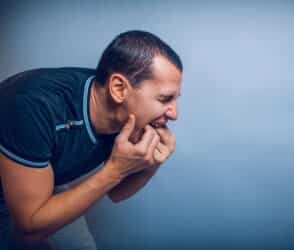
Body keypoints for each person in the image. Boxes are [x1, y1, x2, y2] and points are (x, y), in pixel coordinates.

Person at [0, 30, 183, 250]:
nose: (174, 114)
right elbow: (29, 229)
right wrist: (115, 170)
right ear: (118, 88)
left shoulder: (128, 112)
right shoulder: (34, 108)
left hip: (44, 173)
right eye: (165, 99)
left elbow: (116, 193)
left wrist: (151, 164)